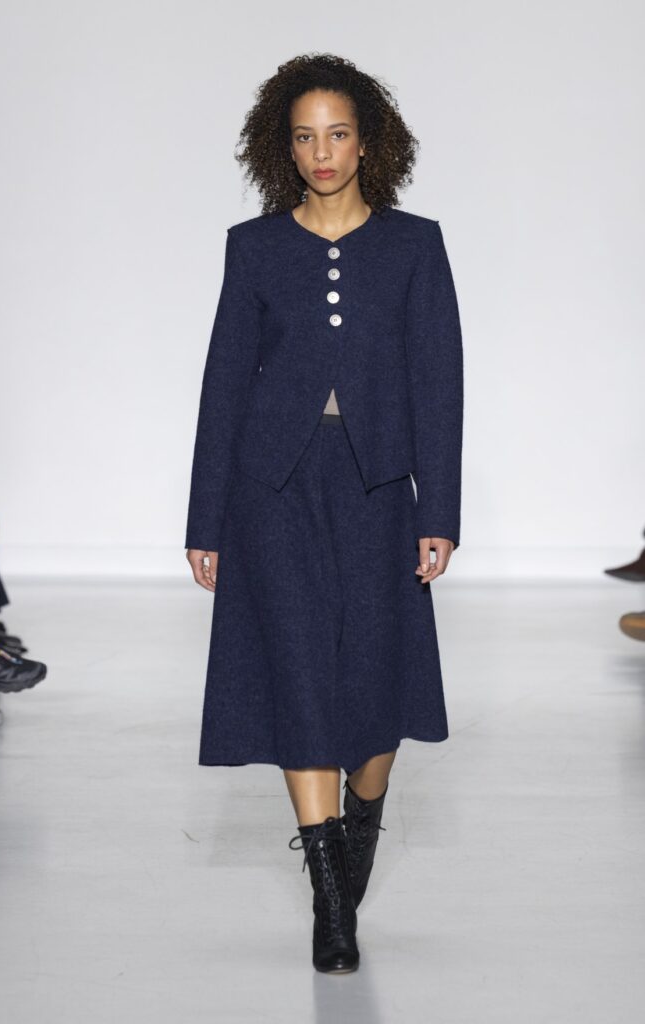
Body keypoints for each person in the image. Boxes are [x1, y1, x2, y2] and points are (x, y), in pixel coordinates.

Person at [185, 53, 464, 974]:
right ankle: (331, 905)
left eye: (338, 133)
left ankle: (362, 820)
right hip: (272, 489)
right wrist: (206, 520)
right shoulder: (254, 247)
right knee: (299, 676)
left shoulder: (414, 245)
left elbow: (439, 383)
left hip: (378, 489)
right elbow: (224, 386)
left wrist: (439, 508)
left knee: (376, 698)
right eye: (305, 137)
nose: (322, 152)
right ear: (285, 147)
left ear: (368, 141)